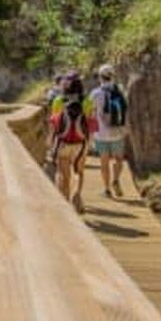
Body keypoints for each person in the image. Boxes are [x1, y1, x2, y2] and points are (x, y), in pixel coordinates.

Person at [49, 71, 91, 214]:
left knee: (64, 175)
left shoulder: (58, 101)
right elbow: (91, 125)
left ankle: (66, 210)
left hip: (63, 143)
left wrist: (50, 142)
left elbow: (54, 124)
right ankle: (77, 195)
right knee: (79, 171)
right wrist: (87, 144)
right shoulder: (87, 101)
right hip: (81, 143)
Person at [89, 64, 128, 198]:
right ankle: (116, 179)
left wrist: (91, 133)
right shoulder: (120, 91)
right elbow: (125, 111)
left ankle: (107, 190)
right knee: (118, 160)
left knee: (104, 163)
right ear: (113, 76)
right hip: (118, 133)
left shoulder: (95, 93)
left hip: (101, 134)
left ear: (100, 77)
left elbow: (90, 114)